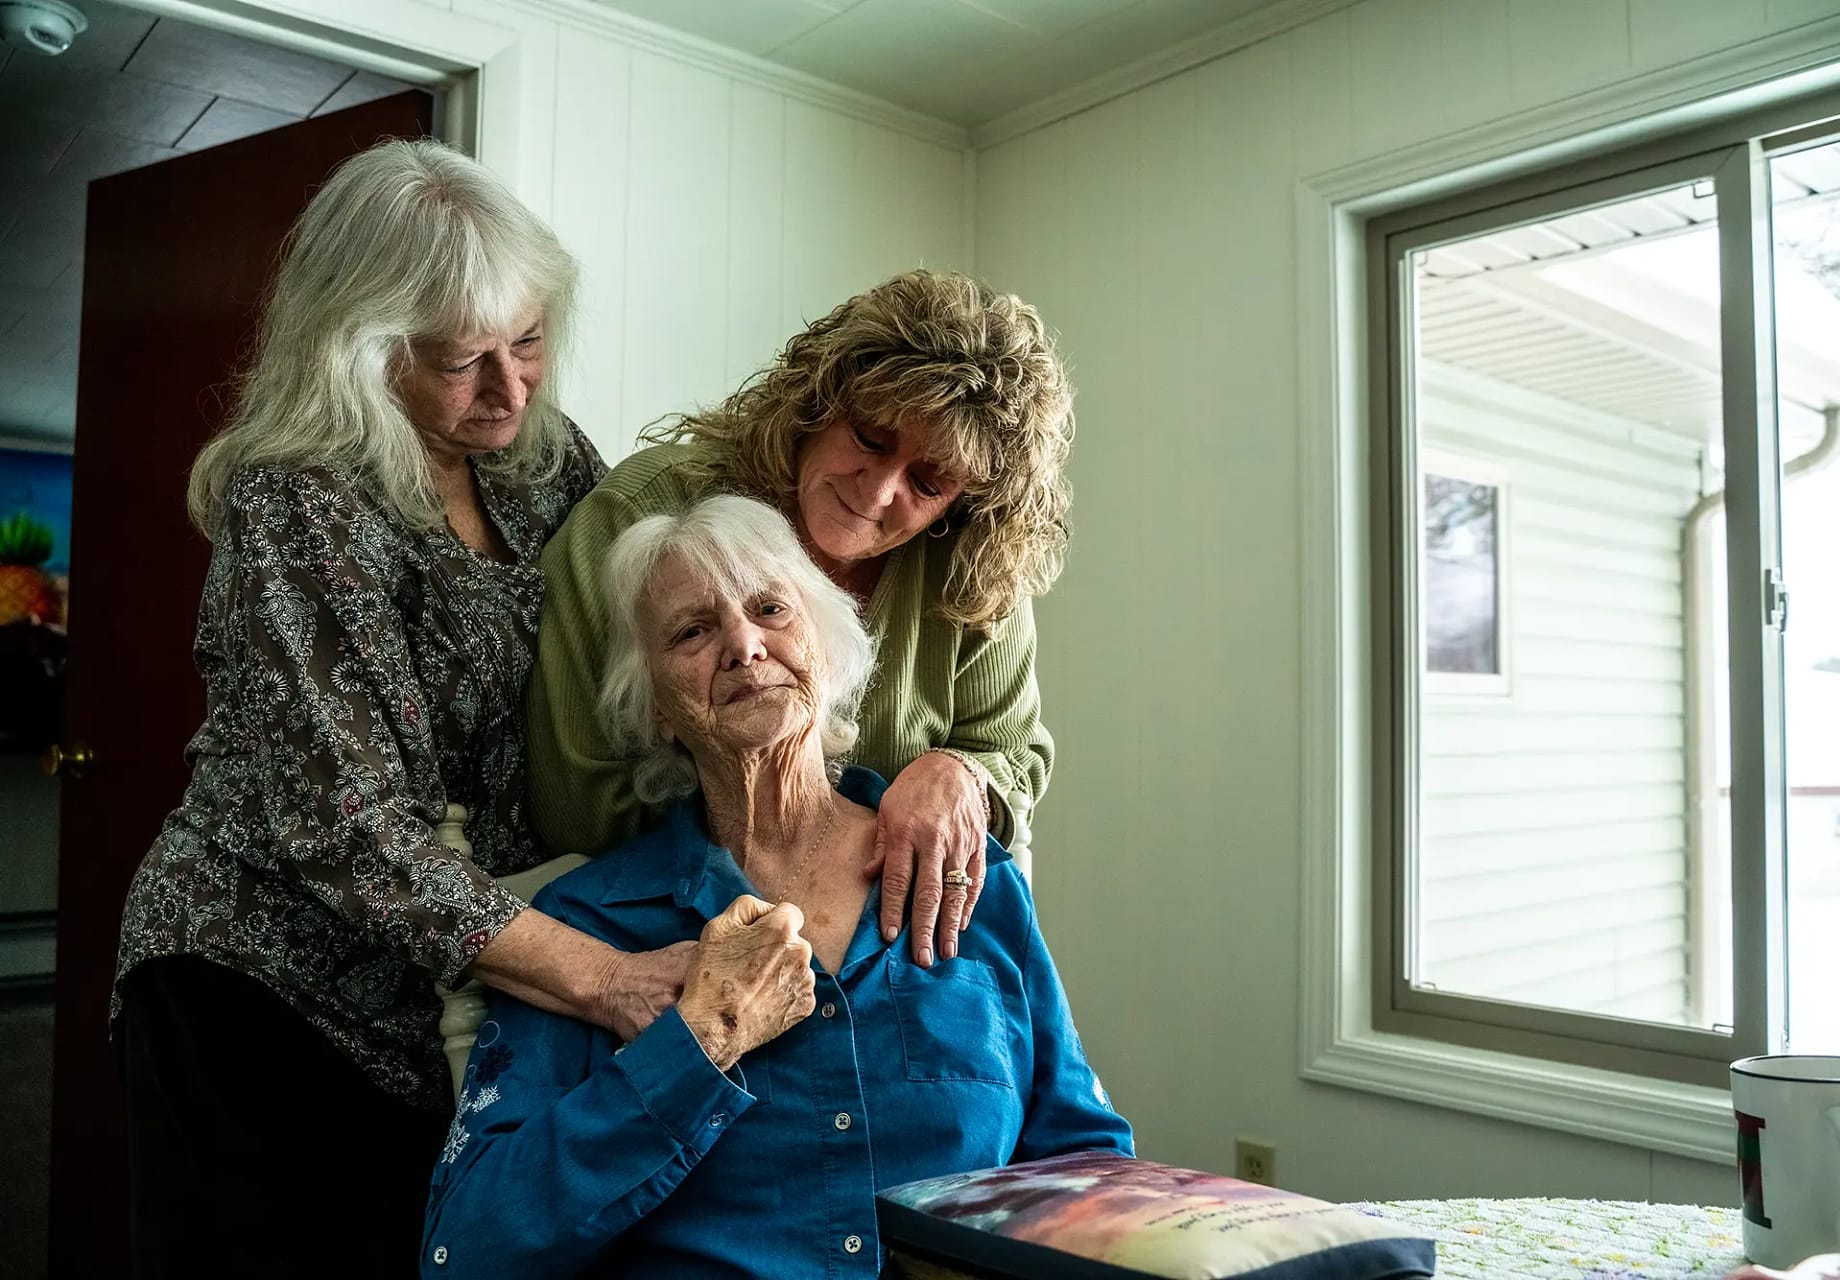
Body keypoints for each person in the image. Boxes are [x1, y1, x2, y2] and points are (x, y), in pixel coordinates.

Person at [112, 139, 693, 1276]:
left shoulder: (549, 460)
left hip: (450, 988)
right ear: (362, 349)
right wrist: (609, 976)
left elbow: (654, 608)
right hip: (259, 979)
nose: (509, 387)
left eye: (527, 341)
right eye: (459, 360)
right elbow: (349, 826)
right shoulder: (299, 500)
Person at [422, 496, 1132, 1277]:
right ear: (656, 708)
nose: (743, 645)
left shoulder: (969, 877)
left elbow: (1081, 1160)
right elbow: (469, 1246)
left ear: (825, 649)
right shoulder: (585, 925)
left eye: (769, 609)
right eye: (693, 631)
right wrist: (698, 1043)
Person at [528, 269, 1074, 971]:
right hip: (668, 944)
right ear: (817, 403)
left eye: (928, 483)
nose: (877, 492)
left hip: (895, 947)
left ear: (962, 506)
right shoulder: (643, 513)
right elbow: (577, 797)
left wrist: (958, 773)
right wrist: (789, 853)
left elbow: (1014, 754)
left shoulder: (970, 571)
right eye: (871, 439)